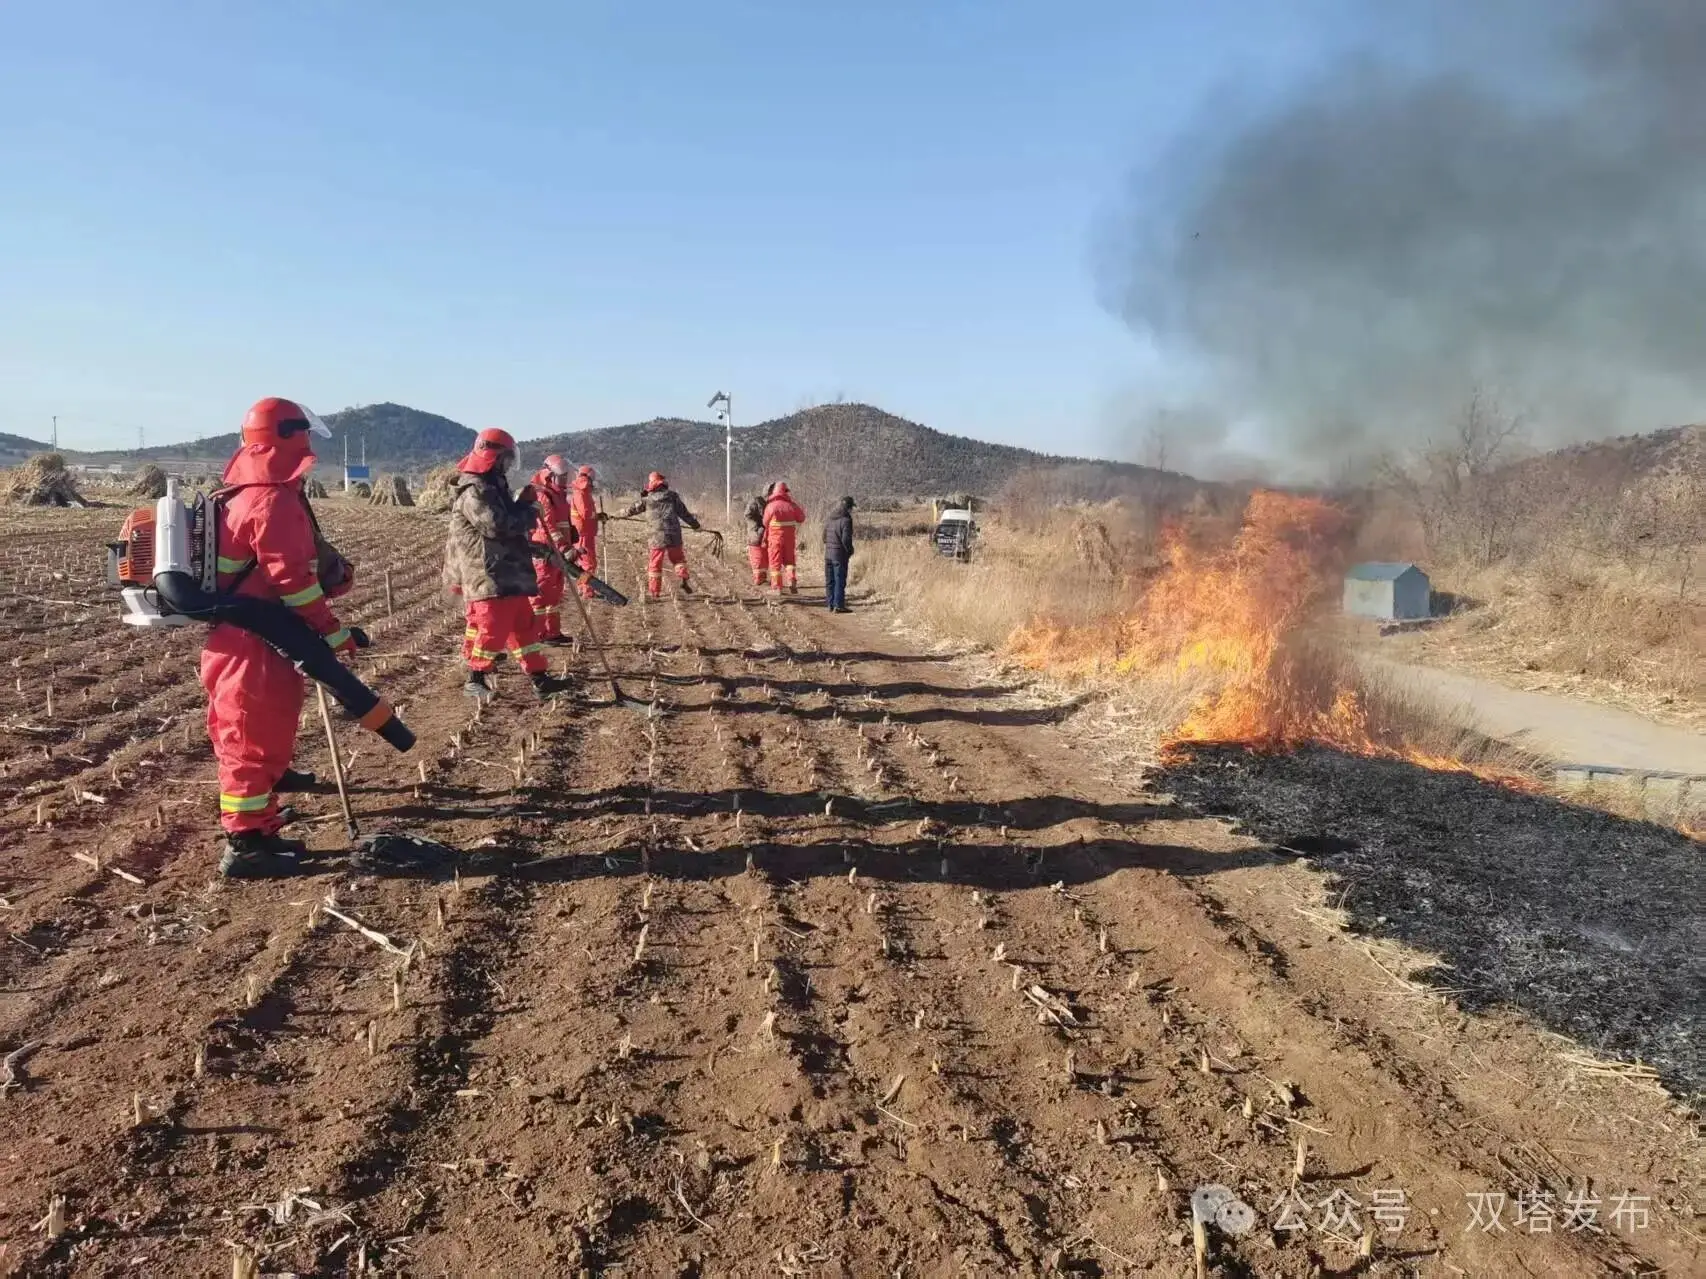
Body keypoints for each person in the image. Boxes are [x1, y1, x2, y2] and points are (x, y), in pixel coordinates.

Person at [203, 397, 360, 878]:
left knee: (259, 736)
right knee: (249, 743)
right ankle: (247, 845)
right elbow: (293, 581)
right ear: (290, 437)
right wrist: (331, 631)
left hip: (249, 638)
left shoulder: (246, 493)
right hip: (256, 643)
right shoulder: (271, 500)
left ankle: (260, 823)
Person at [445, 428, 570, 701]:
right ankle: (475, 677)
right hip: (488, 574)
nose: (509, 464)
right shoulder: (474, 489)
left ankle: (539, 678)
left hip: (507, 571)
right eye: (507, 458)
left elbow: (506, 516)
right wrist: (528, 512)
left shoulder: (493, 486)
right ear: (493, 457)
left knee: (524, 627)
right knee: (492, 628)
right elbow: (496, 526)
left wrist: (522, 503)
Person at [623, 470, 701, 599]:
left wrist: (615, 515)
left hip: (656, 536)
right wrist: (696, 525)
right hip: (673, 533)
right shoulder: (673, 496)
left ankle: (655, 592)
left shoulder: (647, 499)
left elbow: (631, 510)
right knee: (678, 559)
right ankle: (682, 574)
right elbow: (684, 513)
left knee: (655, 563)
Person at [526, 454, 578, 642]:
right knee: (540, 594)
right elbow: (549, 527)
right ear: (550, 475)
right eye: (561, 476)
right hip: (545, 552)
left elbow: (563, 524)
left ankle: (552, 633)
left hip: (558, 552)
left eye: (566, 476)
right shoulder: (543, 495)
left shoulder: (559, 494)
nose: (564, 480)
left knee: (554, 594)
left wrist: (570, 542)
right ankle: (536, 634)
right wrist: (565, 547)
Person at [763, 480, 806, 594]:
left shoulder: (771, 506)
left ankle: (777, 587)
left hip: (775, 540)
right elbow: (801, 518)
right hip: (789, 540)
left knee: (775, 563)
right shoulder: (792, 505)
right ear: (785, 491)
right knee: (789, 561)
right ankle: (791, 580)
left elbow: (765, 522)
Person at [568, 464, 604, 599]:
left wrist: (597, 516)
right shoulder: (581, 492)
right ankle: (587, 590)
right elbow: (586, 513)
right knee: (588, 563)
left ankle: (583, 587)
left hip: (584, 531)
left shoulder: (582, 491)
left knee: (585, 563)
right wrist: (597, 515)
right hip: (583, 533)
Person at [823, 495, 855, 613]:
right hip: (839, 555)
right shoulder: (846, 520)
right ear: (849, 508)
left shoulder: (830, 518)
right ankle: (839, 605)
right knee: (839, 580)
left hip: (828, 555)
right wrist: (850, 550)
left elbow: (824, 537)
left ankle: (830, 604)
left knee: (830, 581)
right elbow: (846, 539)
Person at [743, 493, 769, 587]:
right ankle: (759, 578)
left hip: (756, 538)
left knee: (759, 558)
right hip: (758, 537)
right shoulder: (757, 520)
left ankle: (760, 578)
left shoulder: (750, 518)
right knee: (760, 558)